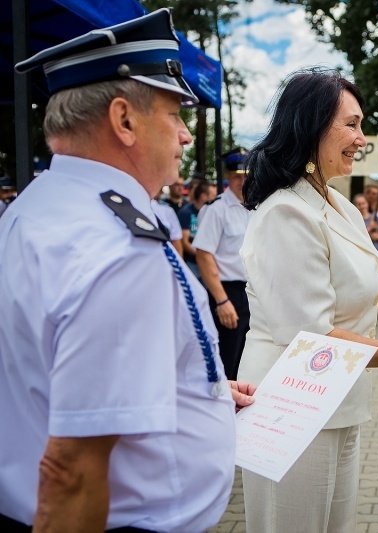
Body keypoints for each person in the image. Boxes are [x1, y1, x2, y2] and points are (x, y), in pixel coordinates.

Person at [1, 10, 255, 532]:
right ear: (123, 120)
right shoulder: (119, 246)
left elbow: (51, 370)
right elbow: (73, 472)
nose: (186, 135)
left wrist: (193, 391)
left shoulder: (35, 207)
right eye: (174, 113)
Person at [238, 66, 378, 533]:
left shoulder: (337, 205)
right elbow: (312, 334)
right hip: (289, 406)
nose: (362, 138)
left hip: (337, 402)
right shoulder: (285, 212)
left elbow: (366, 296)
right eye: (352, 124)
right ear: (311, 126)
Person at [194, 147, 253, 380]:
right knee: (227, 360)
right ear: (228, 177)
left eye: (246, 176)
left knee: (246, 360)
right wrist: (222, 300)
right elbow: (204, 255)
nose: (242, 181)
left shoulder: (253, 207)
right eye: (237, 176)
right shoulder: (217, 209)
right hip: (227, 293)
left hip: (250, 292)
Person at [178, 178, 215, 275]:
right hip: (192, 263)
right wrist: (202, 255)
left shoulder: (213, 213)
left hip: (210, 262)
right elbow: (185, 242)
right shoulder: (186, 212)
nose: (216, 198)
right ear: (203, 196)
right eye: (213, 196)